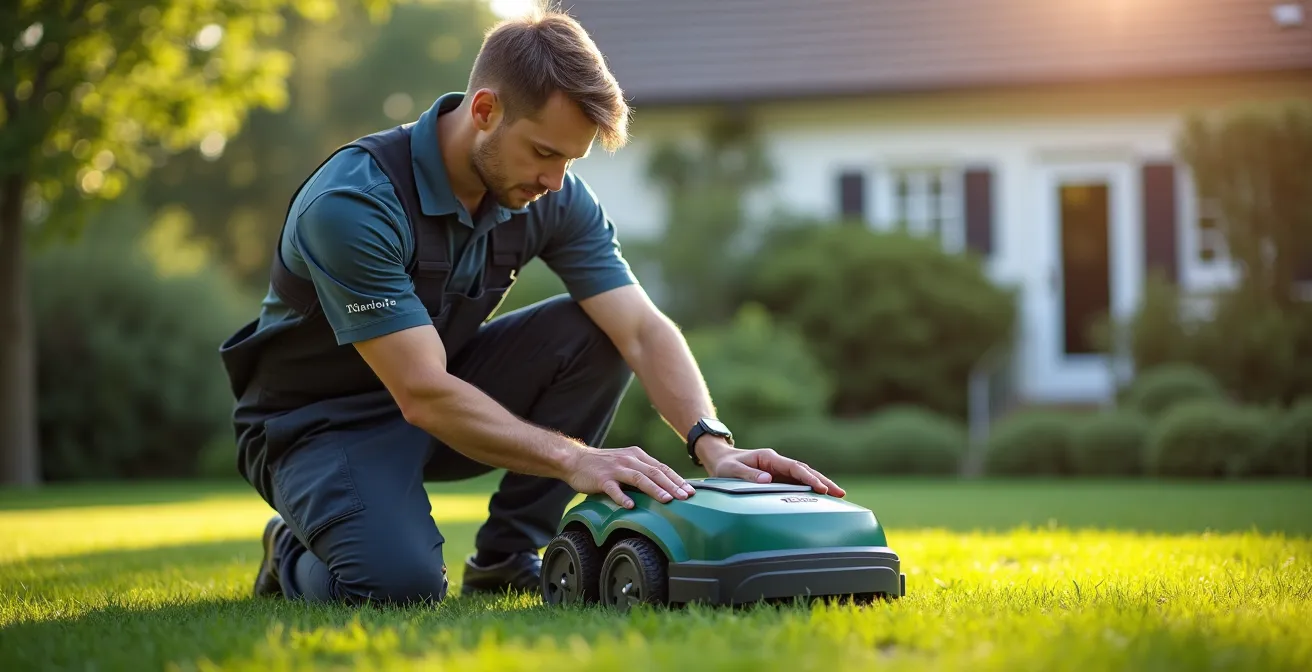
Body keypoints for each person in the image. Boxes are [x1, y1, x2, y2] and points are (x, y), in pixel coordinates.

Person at [217, 7, 845, 607]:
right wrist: (575, 458)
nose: (555, 181)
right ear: (485, 110)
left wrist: (713, 444)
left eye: (571, 161)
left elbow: (643, 332)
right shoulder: (354, 204)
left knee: (596, 331)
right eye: (545, 153)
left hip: (441, 399)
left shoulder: (550, 196)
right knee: (397, 587)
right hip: (316, 427)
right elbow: (422, 392)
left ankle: (507, 559)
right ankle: (293, 553)